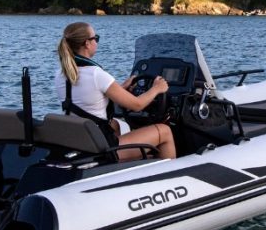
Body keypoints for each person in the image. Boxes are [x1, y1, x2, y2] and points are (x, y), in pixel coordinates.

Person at [55, 22, 176, 160]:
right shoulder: (96, 74)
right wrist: (157, 88)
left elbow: (90, 96)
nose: (96, 42)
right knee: (164, 131)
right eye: (96, 38)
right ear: (87, 43)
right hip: (99, 146)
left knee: (115, 125)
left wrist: (121, 88)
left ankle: (120, 167)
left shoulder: (61, 73)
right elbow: (137, 105)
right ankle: (169, 176)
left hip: (80, 140)